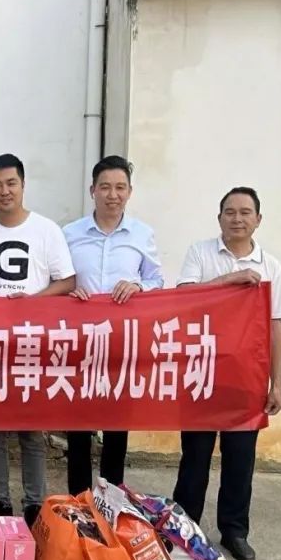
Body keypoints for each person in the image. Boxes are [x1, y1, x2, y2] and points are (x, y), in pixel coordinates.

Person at [172, 186, 281, 560]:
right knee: (195, 457)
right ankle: (184, 528)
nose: (237, 219)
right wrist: (228, 280)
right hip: (202, 374)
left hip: (246, 380)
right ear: (219, 217)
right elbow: (183, 297)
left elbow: (275, 327)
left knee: (240, 460)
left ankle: (235, 531)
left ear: (258, 219)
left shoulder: (271, 267)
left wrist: (276, 383)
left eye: (245, 212)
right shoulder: (200, 253)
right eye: (230, 212)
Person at [0, 154, 76, 526]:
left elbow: (67, 281)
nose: (4, 191)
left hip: (32, 344)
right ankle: (0, 501)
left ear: (23, 185)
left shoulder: (46, 230)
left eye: (11, 183)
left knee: (31, 429)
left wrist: (33, 301)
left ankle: (33, 503)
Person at [62, 156, 164, 495]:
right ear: (92, 190)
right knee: (78, 427)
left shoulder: (142, 234)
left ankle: (112, 498)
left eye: (120, 187)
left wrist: (138, 286)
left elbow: (157, 281)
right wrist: (68, 290)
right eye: (105, 187)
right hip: (80, 341)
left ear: (129, 192)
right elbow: (57, 277)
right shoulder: (70, 234)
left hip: (123, 343)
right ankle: (79, 499)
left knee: (117, 426)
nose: (112, 194)